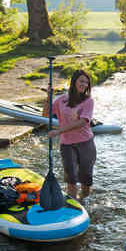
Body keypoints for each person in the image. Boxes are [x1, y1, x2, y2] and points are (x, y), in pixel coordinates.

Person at [42, 69, 96, 200]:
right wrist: (49, 97)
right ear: (74, 82)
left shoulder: (88, 101)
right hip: (67, 145)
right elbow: (45, 114)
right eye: (81, 81)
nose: (84, 84)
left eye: (86, 83)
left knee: (85, 180)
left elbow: (82, 122)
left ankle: (83, 201)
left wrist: (59, 131)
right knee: (71, 179)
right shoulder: (62, 100)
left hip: (85, 144)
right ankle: (73, 204)